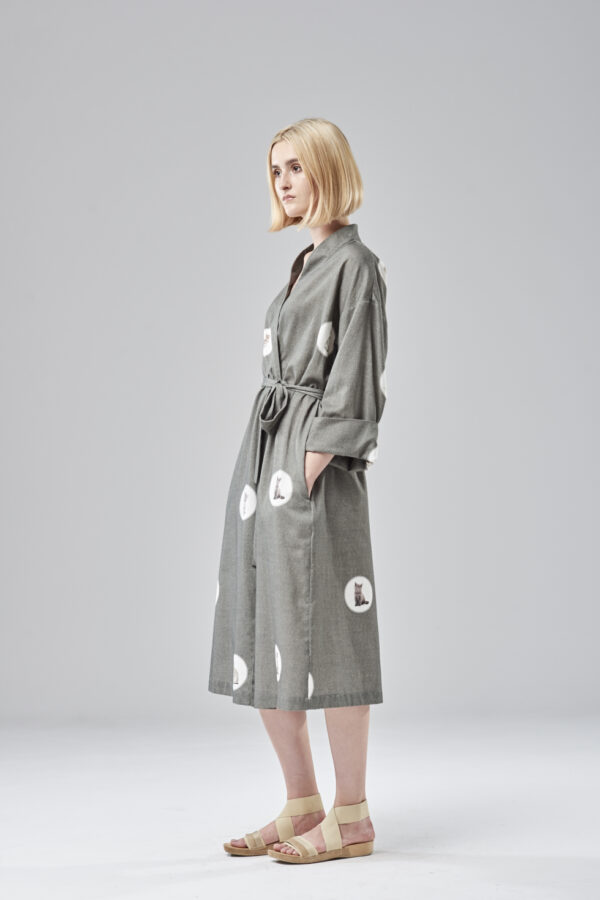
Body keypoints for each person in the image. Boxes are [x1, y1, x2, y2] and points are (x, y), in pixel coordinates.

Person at [208, 117, 389, 864]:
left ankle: (352, 815)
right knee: (265, 624)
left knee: (334, 632)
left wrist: (309, 466)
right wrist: (271, 472)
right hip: (266, 463)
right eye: (276, 169)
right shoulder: (306, 261)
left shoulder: (356, 265)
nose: (284, 181)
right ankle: (302, 802)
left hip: (311, 468)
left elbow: (356, 377)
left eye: (297, 167)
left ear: (328, 170)